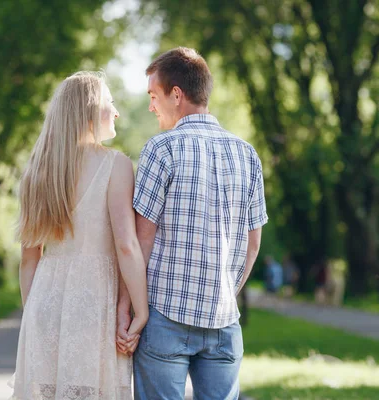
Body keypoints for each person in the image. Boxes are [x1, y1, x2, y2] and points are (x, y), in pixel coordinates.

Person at [126, 47, 268, 400]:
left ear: (176, 95)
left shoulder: (162, 149)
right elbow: (253, 245)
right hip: (224, 322)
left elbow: (141, 242)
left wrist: (131, 309)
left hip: (164, 319)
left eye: (153, 96)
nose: (151, 106)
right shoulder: (247, 154)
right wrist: (224, 292)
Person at [9, 71, 148, 400]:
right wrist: (140, 310)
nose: (116, 112)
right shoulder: (116, 164)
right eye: (110, 103)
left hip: (45, 300)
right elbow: (126, 246)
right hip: (93, 301)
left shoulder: (37, 169)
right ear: (89, 110)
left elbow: (29, 260)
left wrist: (35, 317)